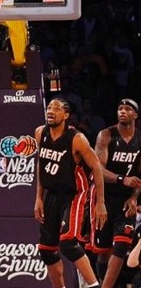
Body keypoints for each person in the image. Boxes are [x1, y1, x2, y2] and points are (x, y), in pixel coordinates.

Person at [34, 97, 107, 288]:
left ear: (66, 115)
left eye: (56, 109)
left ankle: (93, 285)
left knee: (68, 243)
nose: (51, 111)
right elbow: (41, 164)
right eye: (49, 108)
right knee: (47, 251)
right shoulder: (40, 133)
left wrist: (100, 203)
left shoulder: (77, 139)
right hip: (51, 194)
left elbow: (97, 167)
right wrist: (38, 198)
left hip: (74, 194)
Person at [92, 98, 141, 288]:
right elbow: (98, 170)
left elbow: (139, 175)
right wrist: (122, 179)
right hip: (104, 197)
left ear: (135, 115)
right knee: (103, 252)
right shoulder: (106, 135)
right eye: (120, 108)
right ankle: (102, 282)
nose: (122, 111)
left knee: (121, 246)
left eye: (128, 109)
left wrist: (134, 197)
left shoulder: (139, 139)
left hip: (125, 200)